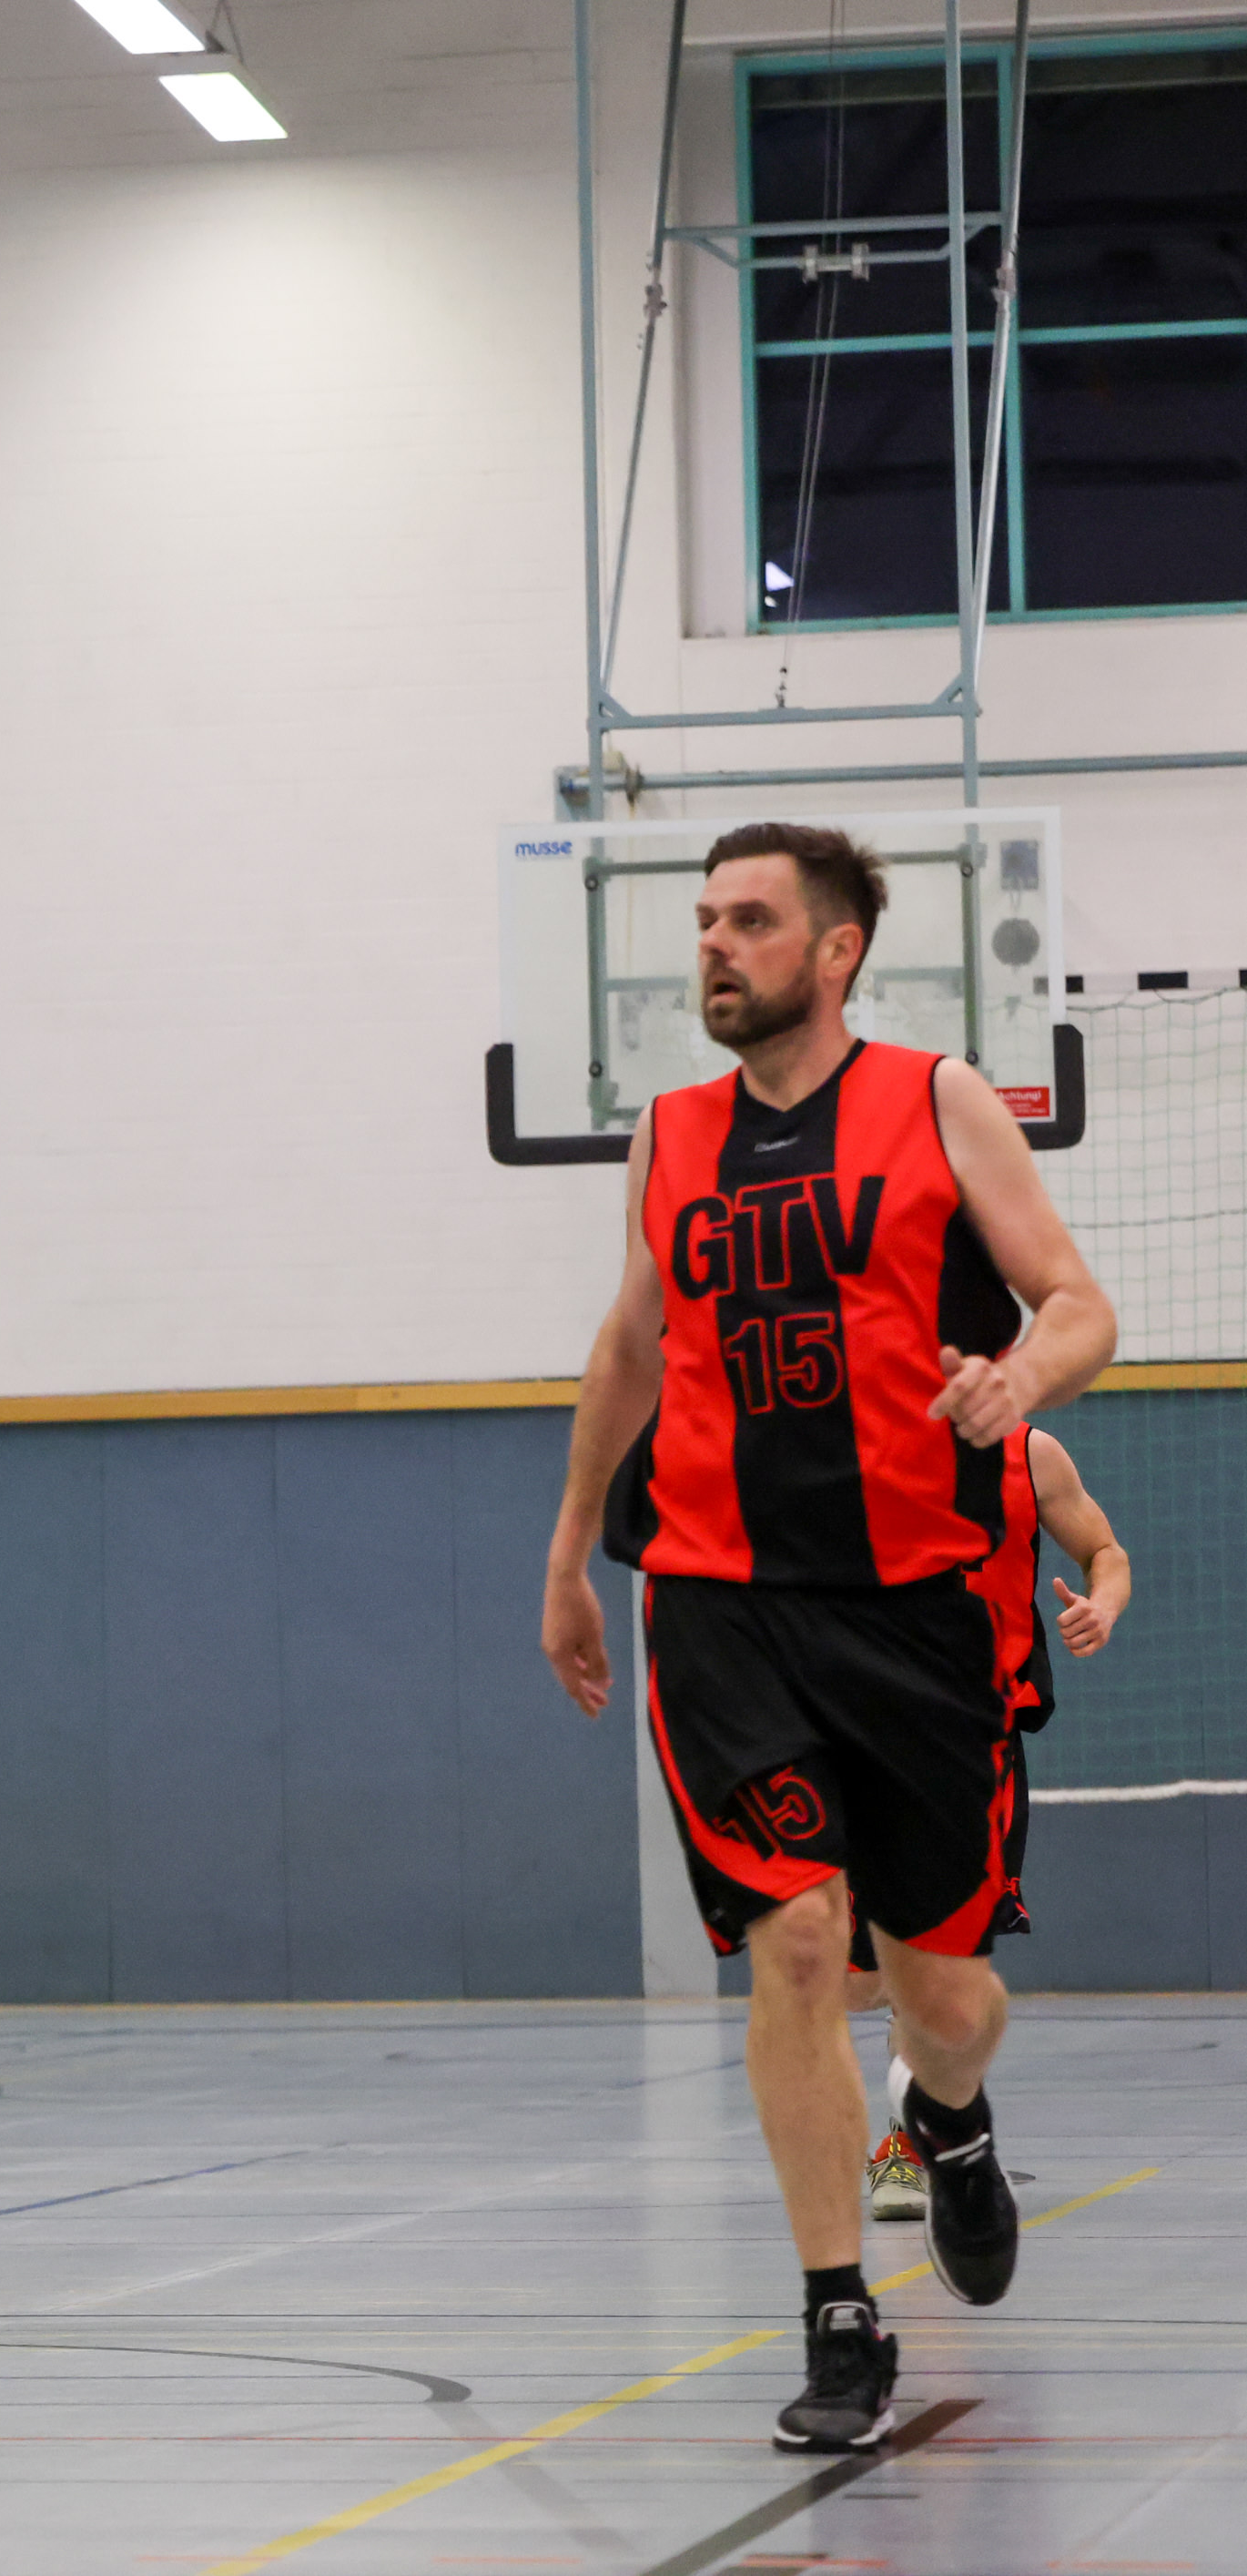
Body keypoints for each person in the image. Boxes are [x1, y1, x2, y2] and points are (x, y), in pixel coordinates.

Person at [542, 824, 1114, 2455]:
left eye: (749, 919)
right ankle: (838, 2313)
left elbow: (1076, 1302)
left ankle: (951, 2116)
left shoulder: (936, 1099)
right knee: (796, 1939)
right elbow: (631, 1342)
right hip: (719, 1599)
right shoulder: (669, 1135)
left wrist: (1021, 1377)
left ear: (837, 948)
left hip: (916, 1608)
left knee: (947, 1996)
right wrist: (570, 1549)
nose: (712, 945)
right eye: (703, 919)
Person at [857, 1424, 1128, 2224]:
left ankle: (915, 2144)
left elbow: (1104, 1550)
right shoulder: (850, 1440)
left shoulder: (1030, 1455)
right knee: (855, 1975)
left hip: (981, 1746)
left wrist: (1102, 1604)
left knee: (948, 1963)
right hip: (867, 1731)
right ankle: (926, 2107)